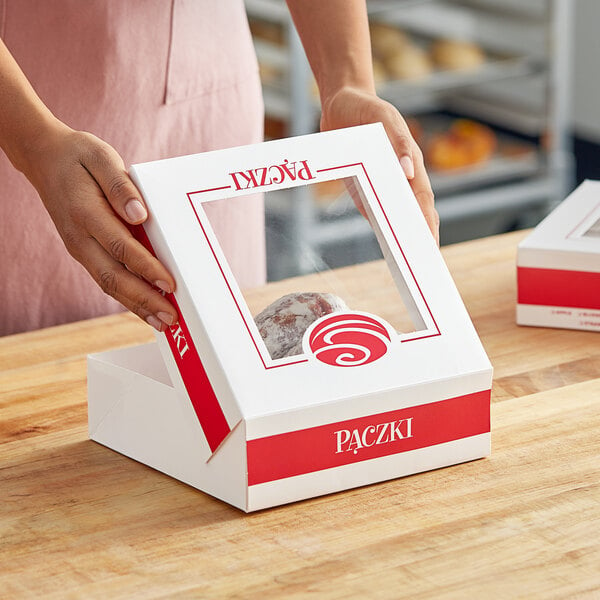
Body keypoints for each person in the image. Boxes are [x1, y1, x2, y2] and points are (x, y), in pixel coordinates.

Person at [0, 0, 437, 337]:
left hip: (205, 91)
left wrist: (348, 81)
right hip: (20, 108)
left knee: (232, 347)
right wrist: (33, 142)